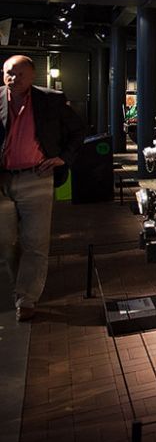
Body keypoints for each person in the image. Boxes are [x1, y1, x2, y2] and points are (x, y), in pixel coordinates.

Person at [0, 55, 84, 321]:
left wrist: (63, 158)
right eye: (8, 73)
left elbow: (78, 130)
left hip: (37, 177)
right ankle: (21, 288)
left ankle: (26, 298)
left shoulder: (51, 99)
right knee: (5, 241)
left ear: (32, 75)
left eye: (19, 74)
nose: (13, 78)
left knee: (35, 242)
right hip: (2, 179)